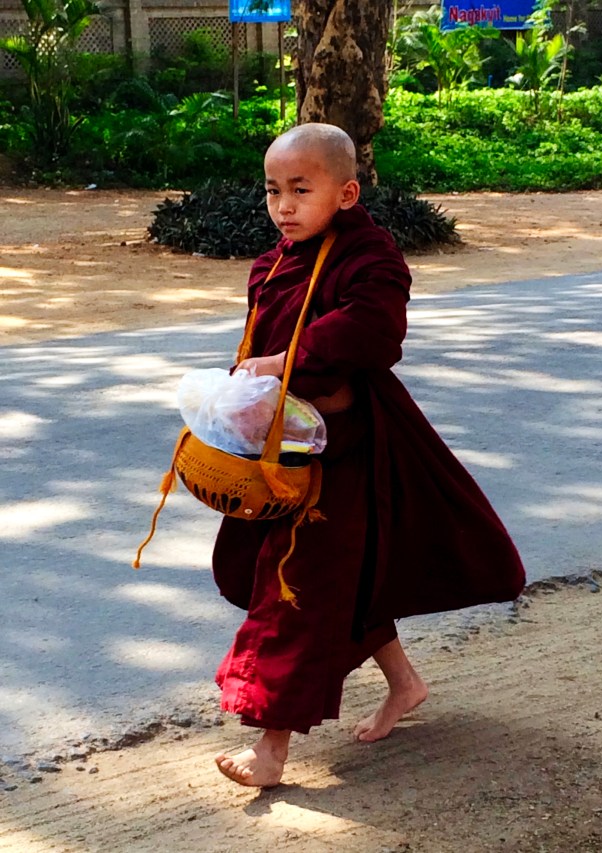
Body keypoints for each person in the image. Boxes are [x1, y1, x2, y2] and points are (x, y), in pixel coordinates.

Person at [211, 123, 526, 788]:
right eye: (273, 191)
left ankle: (270, 749)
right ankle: (405, 682)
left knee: (296, 591)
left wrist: (281, 363)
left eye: (302, 188)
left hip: (347, 455)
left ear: (347, 191)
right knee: (339, 582)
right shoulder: (271, 263)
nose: (284, 205)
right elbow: (259, 344)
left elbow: (373, 328)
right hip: (284, 455)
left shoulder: (372, 256)